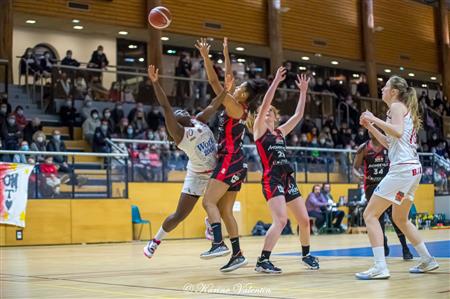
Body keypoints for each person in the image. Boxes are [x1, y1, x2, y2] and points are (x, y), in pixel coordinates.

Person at [196, 37, 268, 271]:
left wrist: (206, 57)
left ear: (245, 96)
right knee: (225, 210)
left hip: (230, 160)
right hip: (237, 163)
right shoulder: (238, 105)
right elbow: (228, 79)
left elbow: (215, 83)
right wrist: (226, 54)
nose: (236, 87)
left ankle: (218, 243)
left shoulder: (235, 107)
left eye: (241, 88)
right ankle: (237, 254)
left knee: (208, 201)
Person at [143, 65, 229, 260]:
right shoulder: (180, 134)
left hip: (214, 172)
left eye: (181, 109)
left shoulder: (198, 120)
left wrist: (226, 90)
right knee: (180, 215)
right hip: (197, 175)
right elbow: (165, 106)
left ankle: (211, 225)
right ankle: (155, 241)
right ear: (175, 122)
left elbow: (214, 105)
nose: (179, 110)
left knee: (223, 208)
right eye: (176, 113)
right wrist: (156, 82)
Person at [356, 75, 439, 280]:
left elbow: (399, 132)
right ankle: (427, 259)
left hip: (402, 170)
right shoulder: (397, 109)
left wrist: (373, 118)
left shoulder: (396, 107)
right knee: (400, 218)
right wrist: (371, 127)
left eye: (385, 87)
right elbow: (389, 142)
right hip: (412, 170)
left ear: (393, 91)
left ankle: (380, 267)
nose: (382, 89)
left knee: (370, 215)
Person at [251, 67, 319, 273]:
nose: (266, 111)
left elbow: (298, 115)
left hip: (287, 177)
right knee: (281, 220)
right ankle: (263, 260)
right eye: (264, 110)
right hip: (271, 178)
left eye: (270, 110)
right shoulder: (259, 129)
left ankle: (306, 255)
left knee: (305, 220)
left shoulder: (280, 132)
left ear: (275, 115)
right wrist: (275, 83)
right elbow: (263, 104)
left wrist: (304, 92)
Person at [353, 131, 413, 260]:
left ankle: (405, 247)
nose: (369, 130)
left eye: (373, 127)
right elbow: (354, 168)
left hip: (390, 185)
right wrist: (359, 176)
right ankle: (383, 243)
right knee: (377, 218)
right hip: (371, 186)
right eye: (368, 128)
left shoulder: (388, 144)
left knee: (395, 217)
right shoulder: (363, 148)